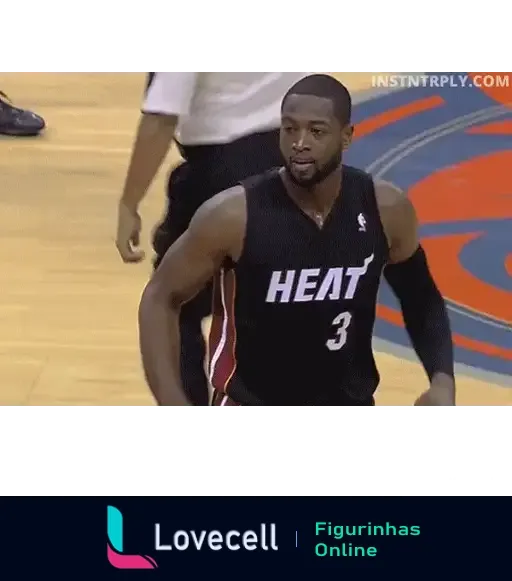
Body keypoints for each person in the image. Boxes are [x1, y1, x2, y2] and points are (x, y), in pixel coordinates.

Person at [138, 74, 456, 408]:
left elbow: (422, 298)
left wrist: (442, 380)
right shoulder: (233, 216)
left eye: (316, 132)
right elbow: (160, 297)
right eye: (290, 129)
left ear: (346, 136)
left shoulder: (384, 209)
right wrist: (173, 401)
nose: (300, 143)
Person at [117, 72, 311, 407]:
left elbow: (161, 117)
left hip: (224, 170)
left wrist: (128, 203)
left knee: (172, 305)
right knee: (279, 305)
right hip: (298, 164)